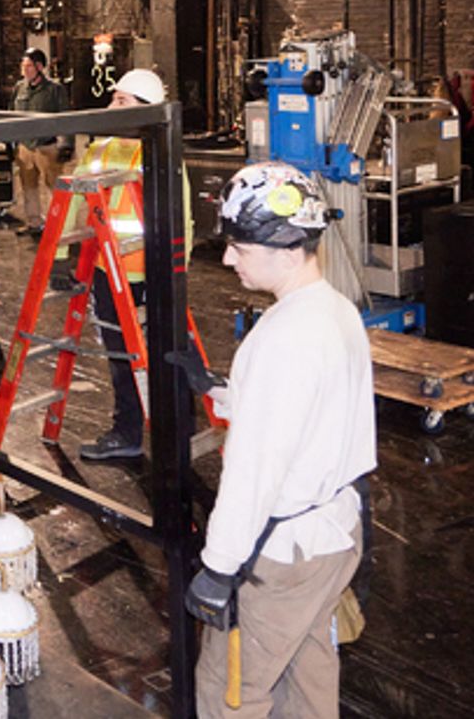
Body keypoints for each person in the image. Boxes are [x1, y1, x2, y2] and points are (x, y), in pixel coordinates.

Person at [185, 161, 375, 718]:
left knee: (231, 689)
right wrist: (233, 396)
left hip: (281, 555)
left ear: (286, 246)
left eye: (239, 248)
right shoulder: (336, 311)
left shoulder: (282, 340)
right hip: (335, 535)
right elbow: (319, 417)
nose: (226, 259)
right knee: (309, 669)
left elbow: (254, 473)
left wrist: (219, 567)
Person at [61, 69, 192, 461]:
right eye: (113, 98)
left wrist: (169, 274)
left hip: (149, 274)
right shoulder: (99, 150)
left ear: (146, 110)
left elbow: (180, 217)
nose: (110, 107)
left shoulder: (158, 155)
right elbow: (70, 199)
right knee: (120, 358)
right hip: (107, 272)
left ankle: (181, 432)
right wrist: (58, 258)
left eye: (121, 101)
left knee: (168, 357)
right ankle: (127, 431)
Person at [11, 48, 71, 235]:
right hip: (25, 147)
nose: (25, 70)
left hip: (47, 146)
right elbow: (10, 115)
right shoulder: (19, 88)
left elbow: (65, 117)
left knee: (55, 186)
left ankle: (61, 224)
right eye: (23, 66)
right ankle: (34, 221)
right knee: (28, 187)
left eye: (29, 66)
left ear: (39, 67)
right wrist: (11, 142)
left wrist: (66, 144)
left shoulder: (55, 90)